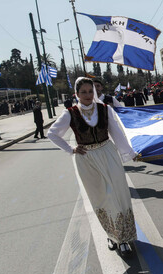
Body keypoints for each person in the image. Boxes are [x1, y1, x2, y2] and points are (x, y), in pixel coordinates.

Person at [47, 77, 138, 258]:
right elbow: (52, 133)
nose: (88, 95)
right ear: (77, 94)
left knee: (117, 194)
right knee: (102, 198)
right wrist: (70, 149)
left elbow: (116, 133)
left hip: (108, 154)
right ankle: (112, 235)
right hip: (86, 159)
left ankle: (124, 238)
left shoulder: (105, 109)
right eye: (84, 92)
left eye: (90, 91)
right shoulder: (70, 114)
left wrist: (130, 153)